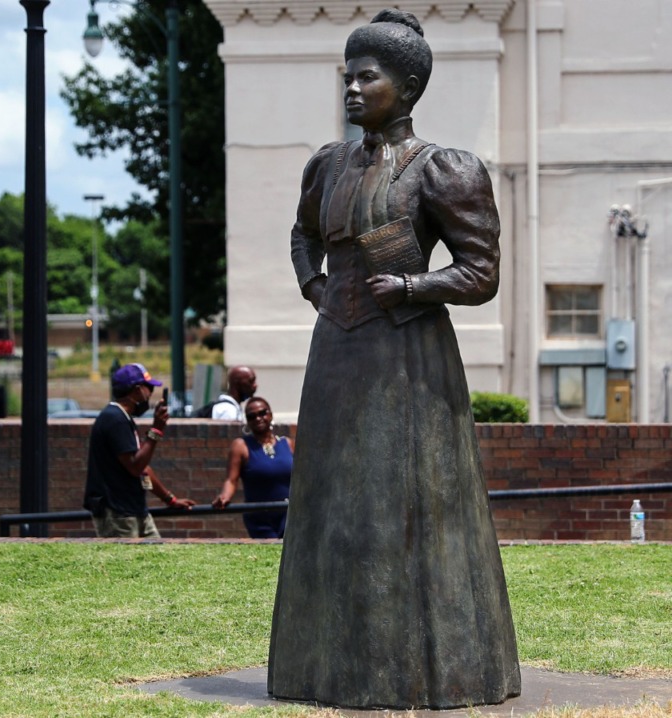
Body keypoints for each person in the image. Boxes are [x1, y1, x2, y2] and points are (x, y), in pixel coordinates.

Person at [267, 9, 520, 710]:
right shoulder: (329, 163)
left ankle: (424, 670)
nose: (352, 88)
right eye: (348, 76)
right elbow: (301, 236)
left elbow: (480, 273)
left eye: (367, 77)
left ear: (405, 88)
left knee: (409, 503)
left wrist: (412, 285)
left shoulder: (445, 170)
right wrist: (316, 287)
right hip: (337, 349)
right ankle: (322, 669)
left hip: (409, 356)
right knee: (329, 502)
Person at [83, 363, 194, 538]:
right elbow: (135, 466)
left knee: (156, 559)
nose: (150, 394)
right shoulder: (114, 419)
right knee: (126, 564)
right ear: (137, 390)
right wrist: (156, 430)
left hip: (134, 509)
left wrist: (170, 499)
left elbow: (143, 469)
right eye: (148, 388)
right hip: (118, 513)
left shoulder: (123, 418)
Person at [212, 397, 293, 538]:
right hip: (260, 517)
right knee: (271, 555)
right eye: (251, 416)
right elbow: (231, 480)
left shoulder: (288, 443)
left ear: (271, 415)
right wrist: (224, 497)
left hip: (289, 515)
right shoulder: (241, 446)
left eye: (262, 413)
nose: (258, 418)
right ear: (247, 421)